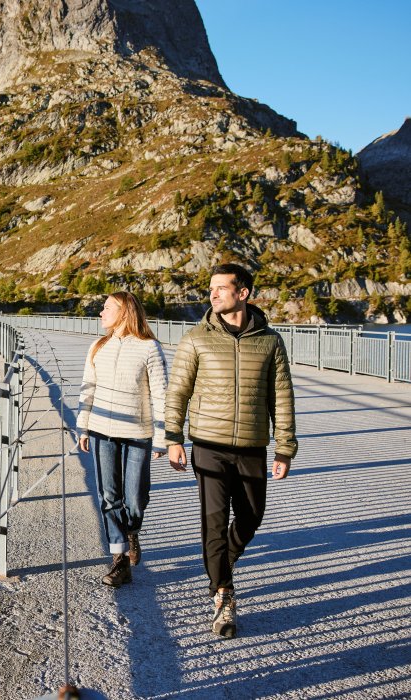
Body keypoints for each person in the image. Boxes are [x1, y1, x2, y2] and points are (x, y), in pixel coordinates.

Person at [165, 263, 297, 638]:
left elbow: (282, 398)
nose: (213, 294)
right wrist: (173, 437)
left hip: (253, 445)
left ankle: (221, 562)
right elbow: (178, 392)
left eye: (221, 288)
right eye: (211, 289)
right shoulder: (196, 338)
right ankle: (223, 594)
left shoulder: (270, 341)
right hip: (208, 443)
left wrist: (284, 448)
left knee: (252, 517)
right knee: (214, 521)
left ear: (244, 293)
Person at [78, 291, 168, 587]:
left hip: (137, 434)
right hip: (102, 430)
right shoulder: (97, 346)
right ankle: (119, 560)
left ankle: (132, 531)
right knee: (108, 496)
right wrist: (83, 426)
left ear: (125, 312)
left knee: (135, 497)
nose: (101, 313)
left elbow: (161, 394)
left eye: (106, 308)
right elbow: (87, 388)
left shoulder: (149, 348)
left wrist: (162, 437)